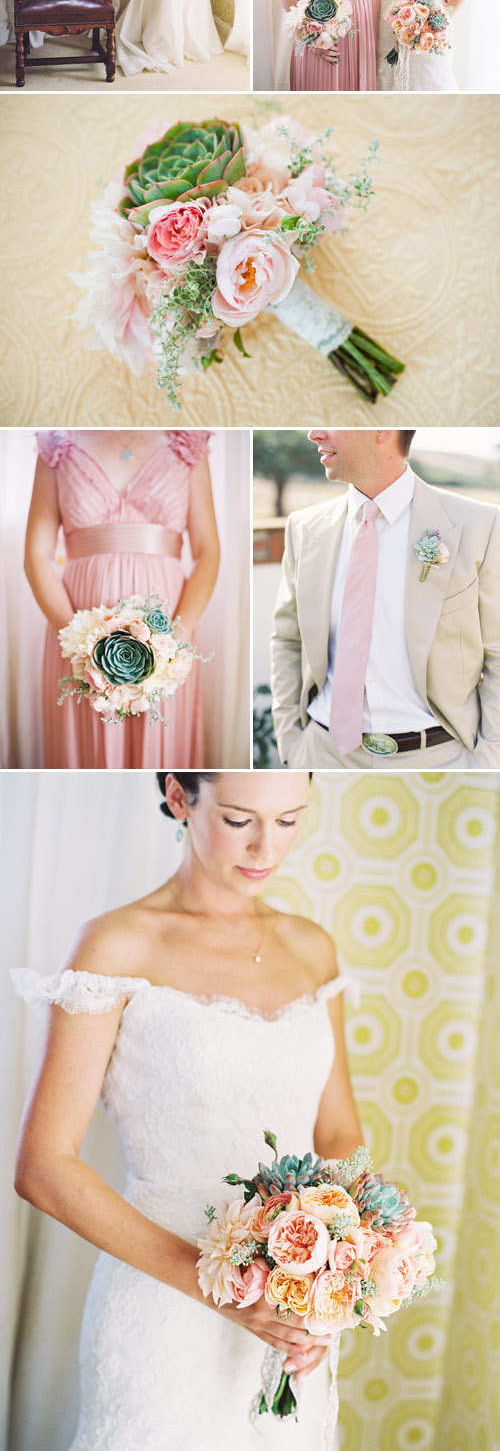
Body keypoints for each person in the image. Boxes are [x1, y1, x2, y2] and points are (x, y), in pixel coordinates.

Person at [12, 770, 362, 1451]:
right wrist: (228, 1292)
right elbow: (43, 1166)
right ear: (179, 796)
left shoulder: (312, 947)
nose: (267, 847)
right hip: (162, 1306)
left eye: (290, 819)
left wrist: (335, 1273)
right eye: (239, 820)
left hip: (291, 1312)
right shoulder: (116, 945)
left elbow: (338, 1131)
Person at [270, 429, 500, 770]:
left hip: (442, 760)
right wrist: (292, 744)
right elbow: (287, 640)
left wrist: (488, 759)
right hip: (323, 756)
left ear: (382, 428)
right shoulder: (304, 527)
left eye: (330, 422)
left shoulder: (481, 525)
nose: (314, 433)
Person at [24, 430, 219, 769]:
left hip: (169, 634)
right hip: (75, 633)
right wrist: (80, 644)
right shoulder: (58, 445)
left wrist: (174, 642)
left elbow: (208, 553)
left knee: (162, 745)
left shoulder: (188, 444)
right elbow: (36, 556)